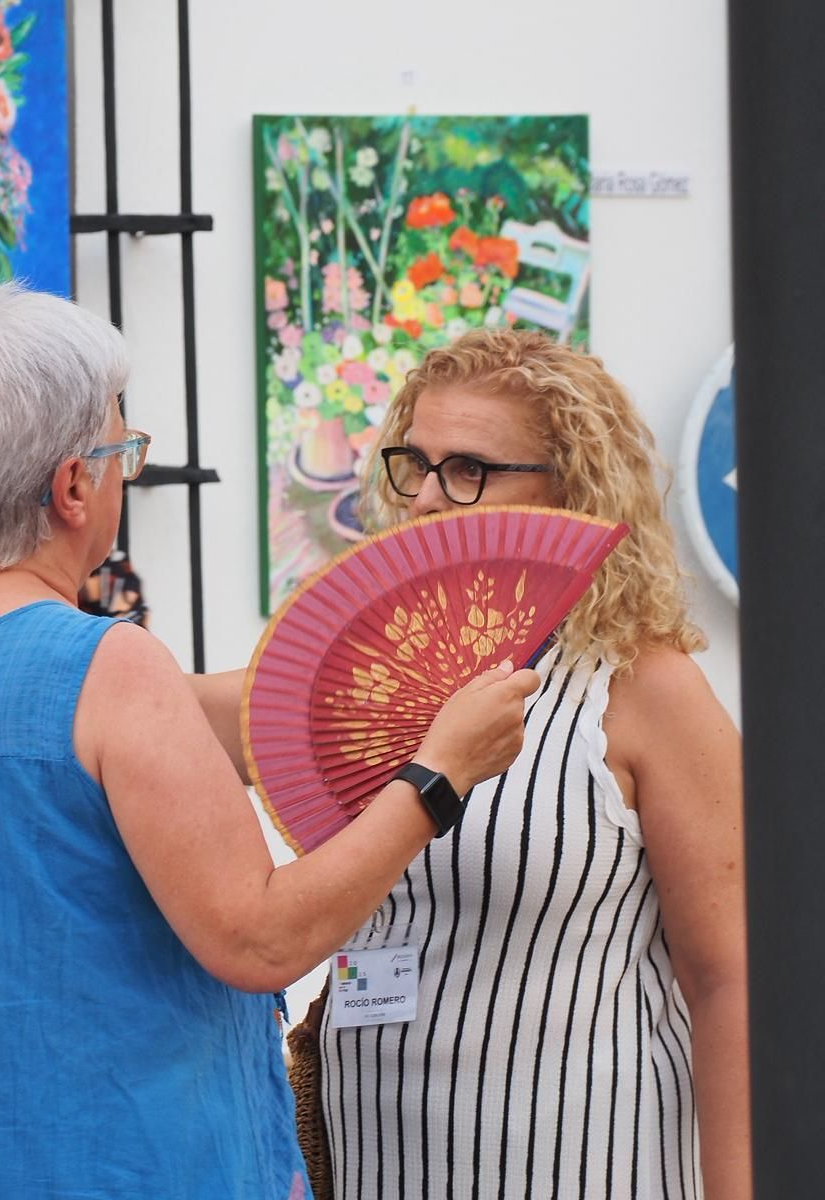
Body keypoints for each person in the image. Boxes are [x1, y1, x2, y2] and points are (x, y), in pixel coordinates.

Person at [0, 284, 540, 1199]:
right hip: (124, 1163)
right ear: (71, 486)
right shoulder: (108, 667)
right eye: (121, 451)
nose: (123, 474)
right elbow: (258, 941)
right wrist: (438, 776)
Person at [318, 328, 749, 1200]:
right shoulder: (370, 674)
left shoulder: (640, 687)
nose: (428, 500)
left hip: (582, 1160)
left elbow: (731, 979)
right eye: (415, 463)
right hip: (379, 1158)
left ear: (571, 493)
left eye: (469, 469)